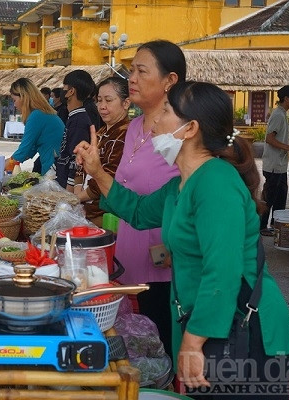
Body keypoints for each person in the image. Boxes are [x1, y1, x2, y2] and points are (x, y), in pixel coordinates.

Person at [75, 80, 289, 399]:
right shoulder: (182, 184)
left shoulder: (216, 183)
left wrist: (193, 341)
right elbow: (136, 210)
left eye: (165, 111)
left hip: (244, 332)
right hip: (211, 326)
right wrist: (97, 171)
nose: (154, 119)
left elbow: (223, 271)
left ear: (190, 128)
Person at [109, 40, 184, 359]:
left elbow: (189, 193)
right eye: (130, 71)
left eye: (142, 71)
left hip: (163, 259)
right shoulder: (134, 126)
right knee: (135, 341)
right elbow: (126, 187)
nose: (132, 78)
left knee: (162, 340)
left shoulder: (182, 130)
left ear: (170, 81)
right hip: (130, 247)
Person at [73, 76, 130, 227]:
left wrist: (79, 197)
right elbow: (81, 165)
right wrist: (77, 190)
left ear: (126, 103)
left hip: (104, 216)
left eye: (108, 100)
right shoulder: (100, 132)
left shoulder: (126, 134)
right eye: (99, 100)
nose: (102, 106)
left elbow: (110, 175)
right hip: (85, 210)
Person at [260, 85, 289, 236]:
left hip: (280, 165)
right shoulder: (278, 115)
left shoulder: (282, 114)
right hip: (273, 165)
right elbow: (269, 139)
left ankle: (275, 224)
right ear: (286, 99)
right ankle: (261, 226)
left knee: (280, 198)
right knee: (269, 197)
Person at [5, 78, 64, 175]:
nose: (14, 105)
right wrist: (11, 161)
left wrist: (4, 165)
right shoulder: (42, 113)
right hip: (56, 164)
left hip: (54, 167)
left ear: (24, 97)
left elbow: (24, 149)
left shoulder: (36, 116)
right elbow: (31, 148)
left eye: (14, 100)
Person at [53, 69, 96, 190]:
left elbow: (76, 159)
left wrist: (70, 188)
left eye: (64, 87)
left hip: (67, 186)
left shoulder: (79, 120)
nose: (63, 91)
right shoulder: (74, 117)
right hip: (61, 179)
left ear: (71, 91)